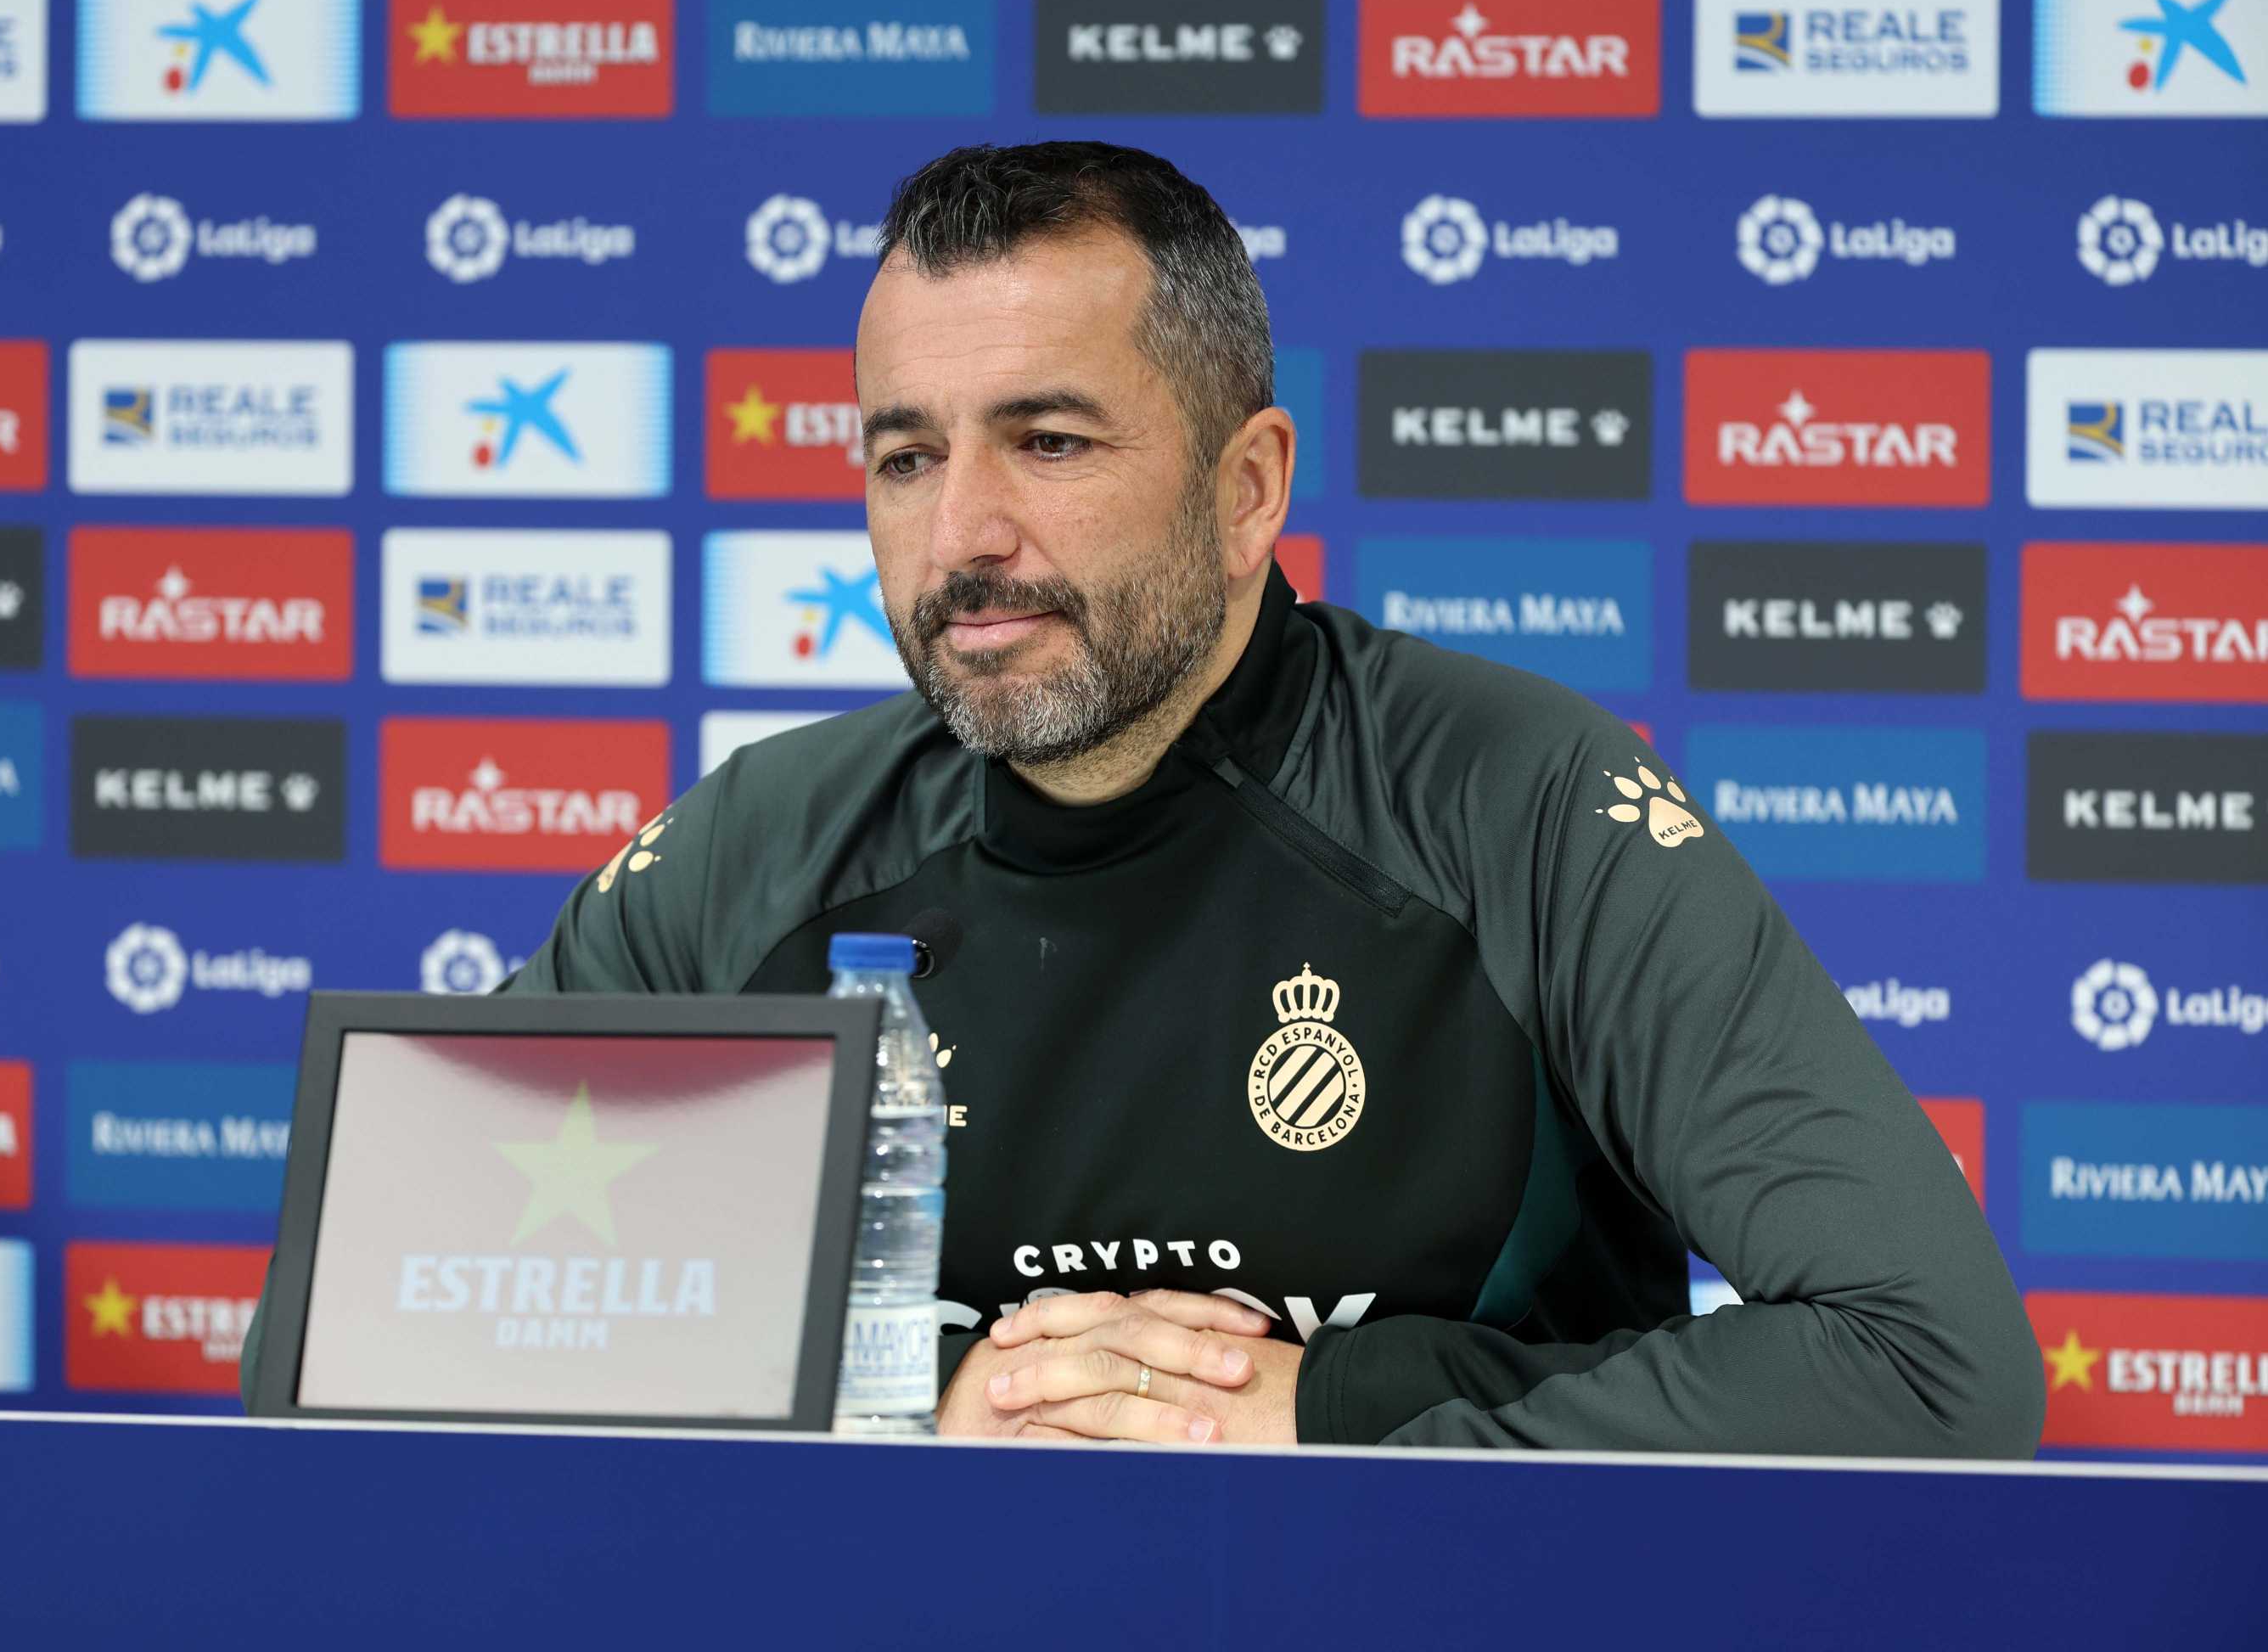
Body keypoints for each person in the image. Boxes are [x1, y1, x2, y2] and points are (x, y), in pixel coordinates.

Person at [246, 141, 2044, 1453]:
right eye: (905, 456)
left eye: (1049, 441)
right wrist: (916, 1402)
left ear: (1249, 487)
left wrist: (1324, 1412)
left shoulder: (1522, 799)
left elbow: (1931, 1365)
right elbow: (350, 1353)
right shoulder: (751, 853)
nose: (964, 536)